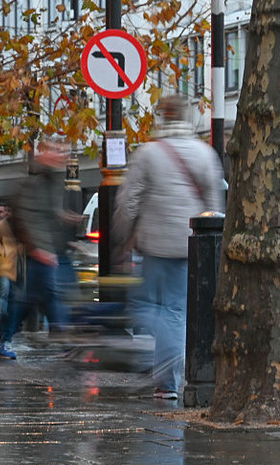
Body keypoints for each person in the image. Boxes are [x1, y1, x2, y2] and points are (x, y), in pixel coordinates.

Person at [113, 95, 224, 400]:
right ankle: (167, 381)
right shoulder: (205, 154)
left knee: (143, 306)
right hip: (191, 246)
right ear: (187, 117)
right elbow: (215, 205)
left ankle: (164, 373)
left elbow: (128, 202)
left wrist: (123, 237)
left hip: (154, 246)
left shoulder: (148, 154)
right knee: (175, 310)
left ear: (163, 116)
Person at [0, 139, 79, 359]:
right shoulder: (35, 183)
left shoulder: (52, 181)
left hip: (52, 251)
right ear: (41, 154)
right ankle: (60, 339)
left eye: (61, 151)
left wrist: (65, 222)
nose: (60, 155)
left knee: (35, 297)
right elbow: (27, 218)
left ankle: (9, 337)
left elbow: (46, 216)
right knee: (37, 297)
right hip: (43, 253)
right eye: (54, 151)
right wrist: (38, 248)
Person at [0, 204, 21, 331]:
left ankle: (12, 319)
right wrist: (2, 251)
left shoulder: (18, 226)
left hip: (16, 261)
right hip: (5, 261)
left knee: (14, 291)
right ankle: (3, 317)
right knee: (4, 290)